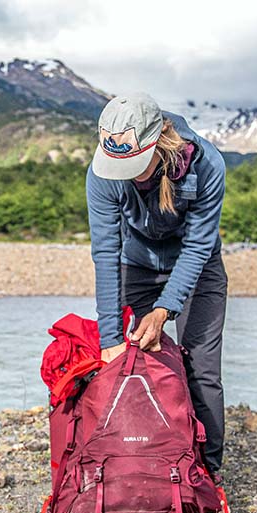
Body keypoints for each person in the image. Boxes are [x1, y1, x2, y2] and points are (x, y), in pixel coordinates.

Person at [85, 92, 228, 477]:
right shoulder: (102, 174)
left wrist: (166, 309)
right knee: (134, 362)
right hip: (138, 265)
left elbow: (199, 245)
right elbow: (105, 253)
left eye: (132, 164)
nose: (124, 173)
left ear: (157, 142)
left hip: (198, 268)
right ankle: (143, 468)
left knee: (201, 369)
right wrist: (110, 339)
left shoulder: (206, 163)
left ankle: (208, 476)